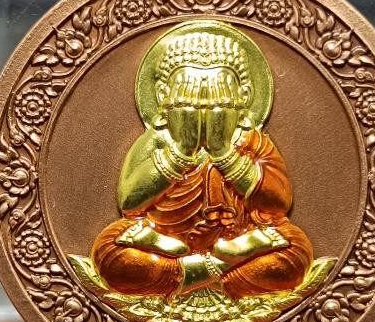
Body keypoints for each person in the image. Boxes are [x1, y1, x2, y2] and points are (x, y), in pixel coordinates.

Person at [91, 25, 313, 299]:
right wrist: (181, 151)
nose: (203, 113)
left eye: (220, 102)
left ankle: (191, 273)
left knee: (296, 252)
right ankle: (221, 271)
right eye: (188, 101)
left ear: (244, 98)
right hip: (163, 244)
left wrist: (225, 155)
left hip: (235, 238)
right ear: (162, 97)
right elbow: (129, 203)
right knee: (110, 254)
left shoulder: (252, 142)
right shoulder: (158, 141)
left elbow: (278, 205)